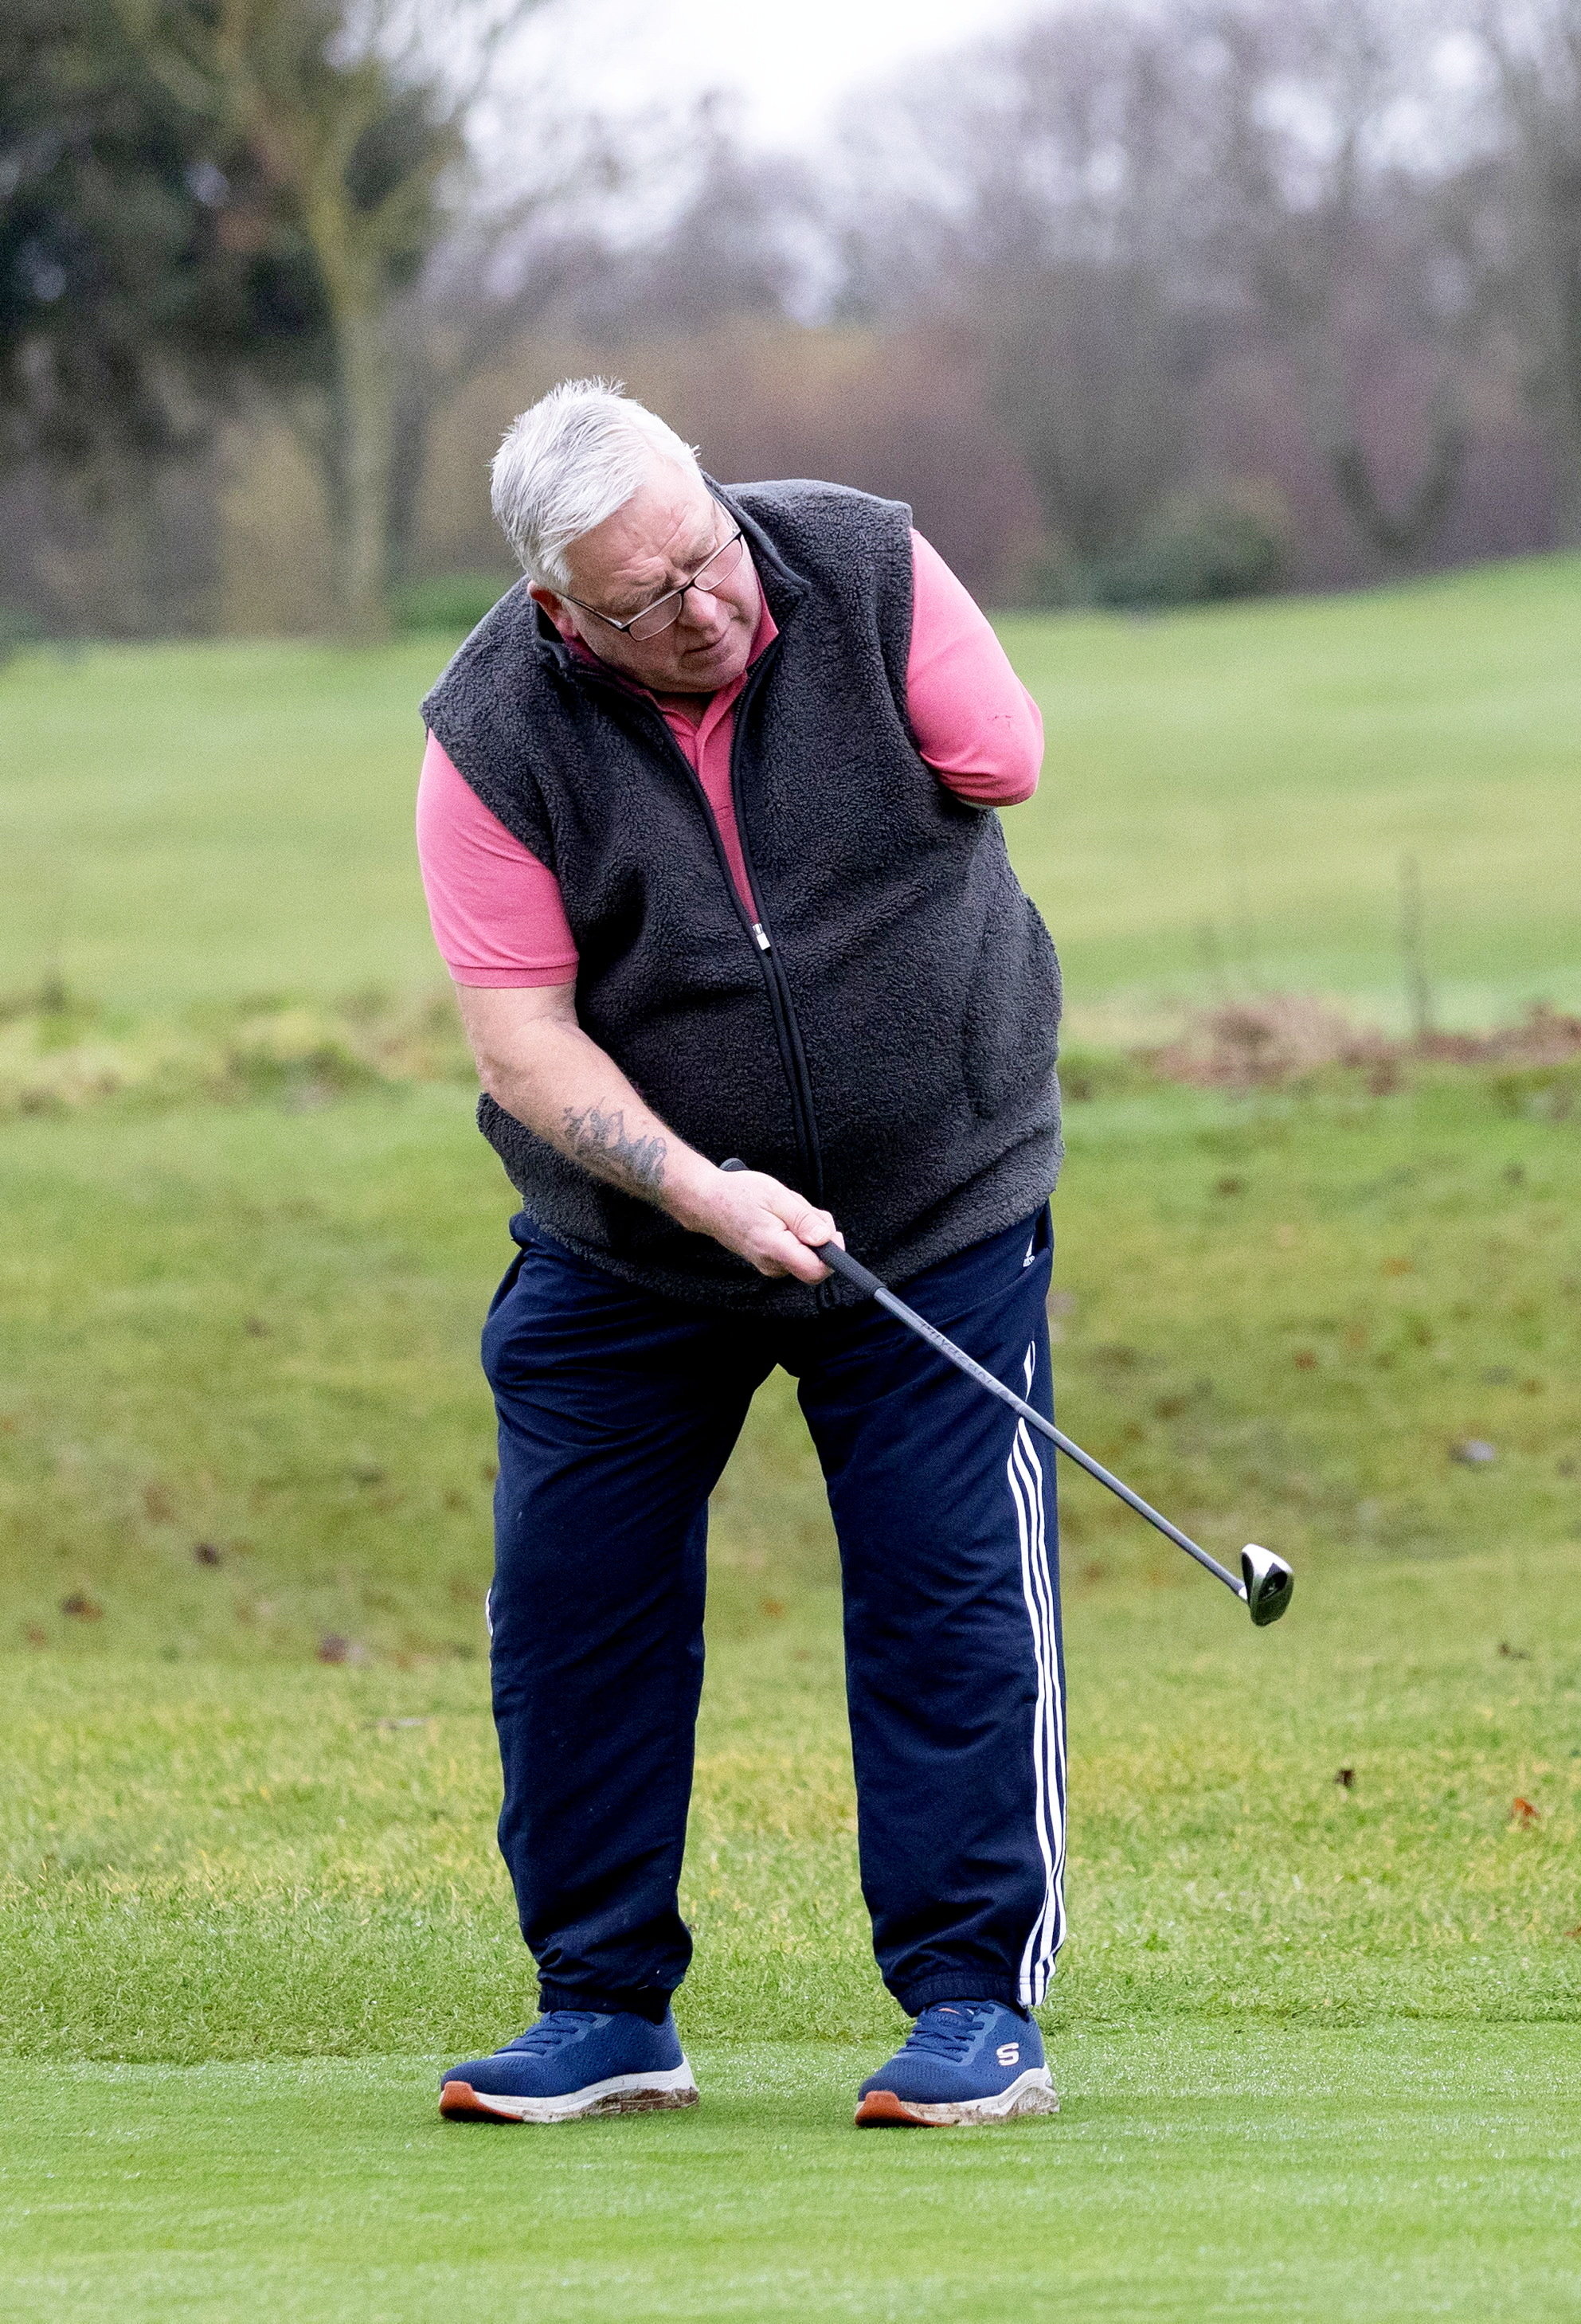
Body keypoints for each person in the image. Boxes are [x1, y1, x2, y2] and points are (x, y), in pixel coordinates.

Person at [412, 379, 1067, 2128]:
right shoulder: (489, 735)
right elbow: (521, 1044)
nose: (704, 608)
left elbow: (1005, 758)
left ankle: (968, 2007)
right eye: (643, 603)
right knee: (573, 1610)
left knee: (946, 1595)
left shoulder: (856, 564)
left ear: (715, 498)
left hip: (935, 1208)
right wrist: (706, 1189)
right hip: (633, 1244)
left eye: (704, 557)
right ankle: (603, 2008)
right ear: (563, 613)